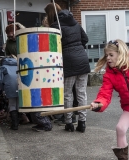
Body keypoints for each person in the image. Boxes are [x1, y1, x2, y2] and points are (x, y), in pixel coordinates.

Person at [44, 3, 90, 133]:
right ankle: (82, 123)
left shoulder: (55, 26)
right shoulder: (76, 23)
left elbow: (51, 47)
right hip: (83, 59)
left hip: (69, 62)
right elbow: (85, 39)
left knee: (68, 94)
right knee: (81, 92)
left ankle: (69, 123)